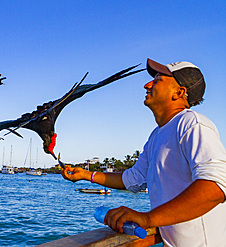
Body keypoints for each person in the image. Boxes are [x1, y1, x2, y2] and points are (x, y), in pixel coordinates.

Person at [61, 58, 226, 246]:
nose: (147, 85)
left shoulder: (192, 124)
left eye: (157, 80)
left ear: (178, 92)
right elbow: (132, 178)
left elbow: (216, 187)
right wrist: (85, 175)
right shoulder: (156, 136)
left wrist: (147, 219)